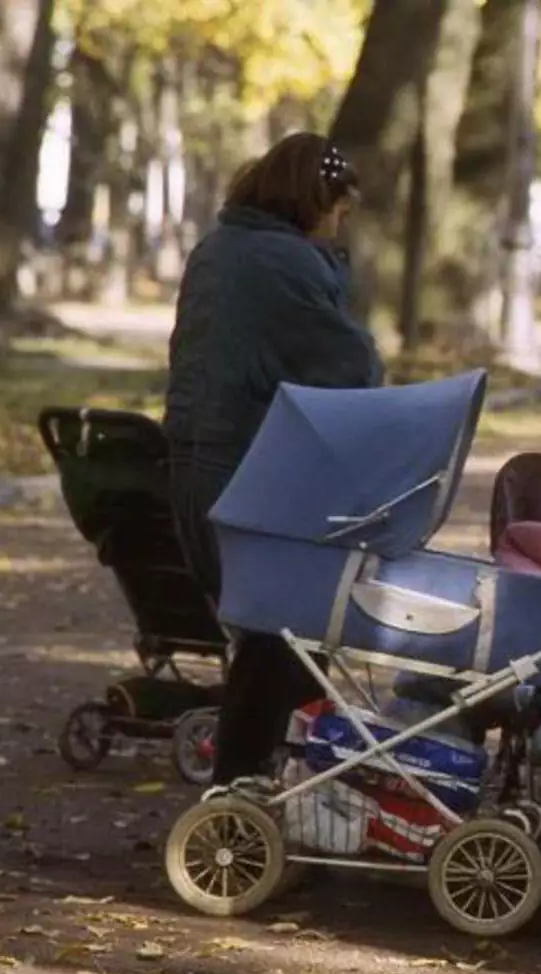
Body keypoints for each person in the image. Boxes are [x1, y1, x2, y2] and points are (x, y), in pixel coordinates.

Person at [164, 132, 383, 786]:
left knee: (267, 634)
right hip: (248, 472)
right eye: (339, 214)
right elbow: (352, 367)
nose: (340, 230)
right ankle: (248, 786)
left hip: (193, 468)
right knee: (284, 631)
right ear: (313, 200)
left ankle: (256, 782)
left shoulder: (220, 247)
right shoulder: (286, 265)